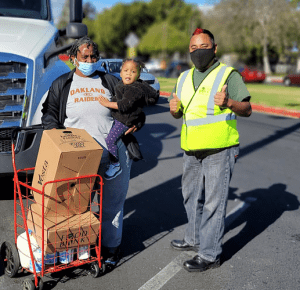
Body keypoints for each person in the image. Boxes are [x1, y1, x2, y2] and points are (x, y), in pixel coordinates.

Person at [41, 36, 144, 268]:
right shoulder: (61, 84)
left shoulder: (110, 81)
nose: (89, 60)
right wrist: (59, 138)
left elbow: (133, 107)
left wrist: (138, 121)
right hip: (77, 157)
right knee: (75, 206)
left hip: (115, 153)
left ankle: (110, 249)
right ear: (74, 59)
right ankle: (79, 249)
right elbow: (48, 115)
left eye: (93, 56)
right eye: (84, 56)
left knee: (112, 205)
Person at [169, 28, 252, 272]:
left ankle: (209, 254)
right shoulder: (183, 77)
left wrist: (228, 103)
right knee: (191, 196)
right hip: (191, 149)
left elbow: (247, 108)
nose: (198, 52)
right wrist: (174, 109)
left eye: (203, 47)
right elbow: (180, 113)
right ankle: (193, 238)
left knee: (214, 203)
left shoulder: (228, 75)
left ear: (214, 49)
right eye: (193, 48)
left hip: (220, 148)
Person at [98, 58, 157, 180]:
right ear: (120, 73)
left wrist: (107, 104)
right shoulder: (122, 84)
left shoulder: (133, 89)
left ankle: (115, 164)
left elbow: (124, 105)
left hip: (123, 121)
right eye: (125, 70)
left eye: (133, 71)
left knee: (110, 140)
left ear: (138, 75)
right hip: (120, 118)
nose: (128, 73)